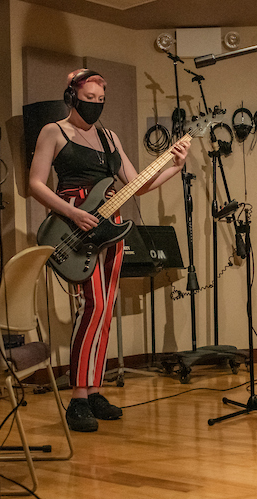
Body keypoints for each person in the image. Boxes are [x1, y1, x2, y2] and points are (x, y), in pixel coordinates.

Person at [28, 69, 188, 432]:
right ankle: (77, 397)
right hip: (74, 224)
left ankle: (94, 389)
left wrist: (175, 166)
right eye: (89, 100)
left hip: (110, 227)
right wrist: (71, 212)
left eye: (101, 101)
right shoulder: (53, 132)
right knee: (93, 305)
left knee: (105, 308)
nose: (96, 106)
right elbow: (35, 183)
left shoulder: (110, 138)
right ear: (72, 96)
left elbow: (137, 185)